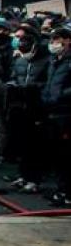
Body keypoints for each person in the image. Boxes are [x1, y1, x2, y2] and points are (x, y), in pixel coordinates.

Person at [6, 28, 50, 194]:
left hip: (37, 108)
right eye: (19, 40)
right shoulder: (20, 61)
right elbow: (13, 77)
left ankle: (34, 179)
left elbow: (48, 84)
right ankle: (23, 175)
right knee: (21, 143)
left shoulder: (46, 61)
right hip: (19, 107)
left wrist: (31, 88)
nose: (21, 44)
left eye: (25, 41)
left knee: (36, 146)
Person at [41, 27, 71, 206]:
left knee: (67, 155)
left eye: (58, 39)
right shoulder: (54, 61)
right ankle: (61, 189)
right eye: (52, 40)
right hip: (53, 111)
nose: (54, 43)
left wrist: (61, 95)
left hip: (67, 112)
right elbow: (50, 83)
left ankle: (67, 192)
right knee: (59, 155)